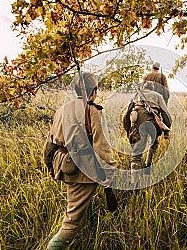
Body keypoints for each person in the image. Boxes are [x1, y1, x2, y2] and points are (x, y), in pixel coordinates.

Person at [43, 73, 117, 250]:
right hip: (82, 169)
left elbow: (49, 142)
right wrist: (109, 173)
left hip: (62, 163)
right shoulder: (93, 111)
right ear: (94, 92)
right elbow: (102, 147)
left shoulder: (62, 110)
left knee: (77, 205)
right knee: (71, 221)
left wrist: (49, 166)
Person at [123, 81, 172, 172]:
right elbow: (166, 115)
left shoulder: (136, 95)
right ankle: (147, 165)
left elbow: (126, 115)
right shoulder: (157, 96)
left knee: (137, 153)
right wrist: (166, 130)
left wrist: (128, 129)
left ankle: (134, 182)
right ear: (152, 89)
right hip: (153, 123)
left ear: (143, 87)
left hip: (138, 121)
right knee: (154, 142)